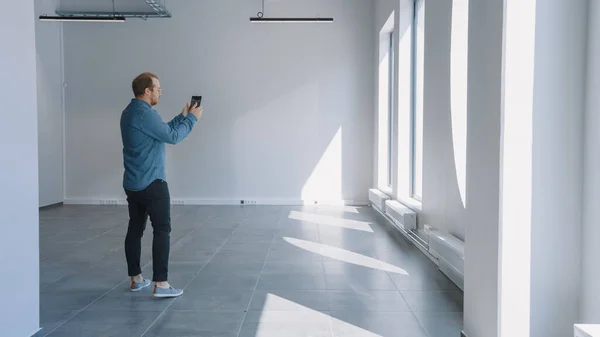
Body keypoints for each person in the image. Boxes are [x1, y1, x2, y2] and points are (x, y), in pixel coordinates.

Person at [119, 72, 202, 298]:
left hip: (133, 183)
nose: (159, 92)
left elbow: (162, 131)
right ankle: (161, 284)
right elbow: (173, 137)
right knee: (162, 230)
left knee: (135, 229)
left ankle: (136, 279)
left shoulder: (129, 112)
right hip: (152, 183)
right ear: (147, 90)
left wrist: (182, 116)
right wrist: (192, 119)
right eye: (157, 88)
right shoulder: (146, 113)